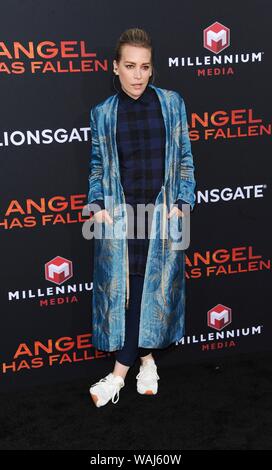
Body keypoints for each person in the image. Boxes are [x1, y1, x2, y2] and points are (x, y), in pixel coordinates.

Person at [88, 28, 196, 408]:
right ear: (115, 67)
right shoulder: (102, 113)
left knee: (153, 292)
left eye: (145, 67)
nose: (137, 75)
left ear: (153, 70)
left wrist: (182, 202)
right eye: (130, 66)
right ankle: (147, 363)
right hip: (121, 217)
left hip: (160, 215)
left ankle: (118, 374)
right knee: (131, 292)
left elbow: (184, 157)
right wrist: (96, 203)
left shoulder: (171, 103)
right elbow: (97, 165)